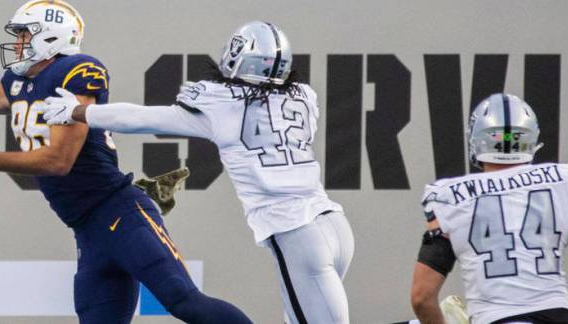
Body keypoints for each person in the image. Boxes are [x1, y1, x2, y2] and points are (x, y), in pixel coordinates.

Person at [0, 0, 252, 324]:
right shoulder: (19, 84)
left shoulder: (75, 73)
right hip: (88, 231)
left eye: (25, 34)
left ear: (50, 36)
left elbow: (60, 160)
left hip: (121, 214)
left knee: (183, 301)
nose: (18, 42)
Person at [43, 20, 354, 324]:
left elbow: (142, 118)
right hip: (335, 227)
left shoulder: (220, 105)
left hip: (296, 232)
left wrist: (78, 110)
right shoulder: (304, 96)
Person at [410, 93, 568, 324]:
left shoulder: (451, 197)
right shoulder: (559, 182)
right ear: (531, 139)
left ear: (477, 141)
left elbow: (422, 297)